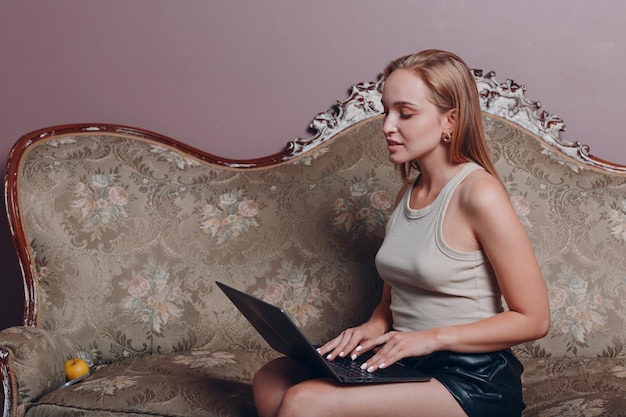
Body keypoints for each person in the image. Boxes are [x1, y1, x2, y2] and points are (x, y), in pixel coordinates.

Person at [252, 49, 550, 417]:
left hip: (471, 377)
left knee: (304, 399)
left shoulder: (479, 194)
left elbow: (534, 319)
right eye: (386, 111)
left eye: (405, 113)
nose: (387, 126)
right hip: (403, 358)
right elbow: (393, 300)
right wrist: (374, 326)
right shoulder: (408, 193)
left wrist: (430, 340)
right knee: (272, 377)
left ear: (450, 120)